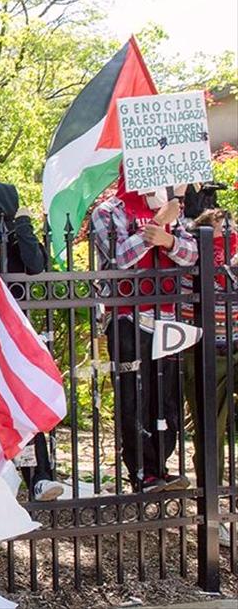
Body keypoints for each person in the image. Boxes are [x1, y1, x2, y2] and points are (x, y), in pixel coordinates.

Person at [90, 174, 197, 493]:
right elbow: (118, 259)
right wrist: (153, 228)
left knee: (165, 395)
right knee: (134, 395)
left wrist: (169, 239)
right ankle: (140, 471)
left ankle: (160, 466)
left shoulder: (171, 211)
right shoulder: (108, 211)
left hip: (168, 315)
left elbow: (192, 256)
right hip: (127, 317)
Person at [0, 180, 62, 501]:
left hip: (11, 336)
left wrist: (23, 223)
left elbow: (35, 265)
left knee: (20, 401)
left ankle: (39, 477)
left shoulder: (13, 233)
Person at [182, 209, 237, 546]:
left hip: (234, 344)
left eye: (229, 225)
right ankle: (212, 513)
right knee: (210, 431)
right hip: (204, 350)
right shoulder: (193, 257)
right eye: (219, 226)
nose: (227, 230)